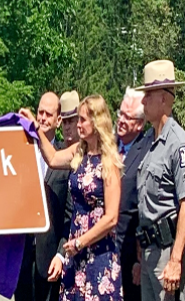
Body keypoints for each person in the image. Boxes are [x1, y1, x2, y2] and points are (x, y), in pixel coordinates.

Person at [21, 94, 123, 300]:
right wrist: (35, 126)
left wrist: (81, 242)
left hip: (98, 252)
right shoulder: (78, 151)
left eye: (83, 119)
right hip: (75, 254)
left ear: (96, 122)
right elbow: (52, 158)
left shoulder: (109, 160)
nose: (78, 125)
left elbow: (111, 218)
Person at [134, 60, 185, 301]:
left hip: (168, 254)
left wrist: (175, 260)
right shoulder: (147, 142)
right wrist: (139, 257)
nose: (142, 101)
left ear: (164, 99)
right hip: (148, 252)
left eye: (148, 95)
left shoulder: (178, 143)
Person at [15, 92, 71, 301]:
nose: (42, 118)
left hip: (49, 261)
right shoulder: (20, 153)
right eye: (40, 112)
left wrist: (60, 255)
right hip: (21, 258)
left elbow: (70, 216)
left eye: (49, 114)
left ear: (59, 120)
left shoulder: (65, 158)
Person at [116, 87, 153, 301]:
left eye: (128, 117)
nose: (121, 120)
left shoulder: (147, 152)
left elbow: (144, 208)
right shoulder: (106, 144)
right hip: (102, 249)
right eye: (121, 113)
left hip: (130, 254)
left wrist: (139, 259)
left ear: (139, 124)